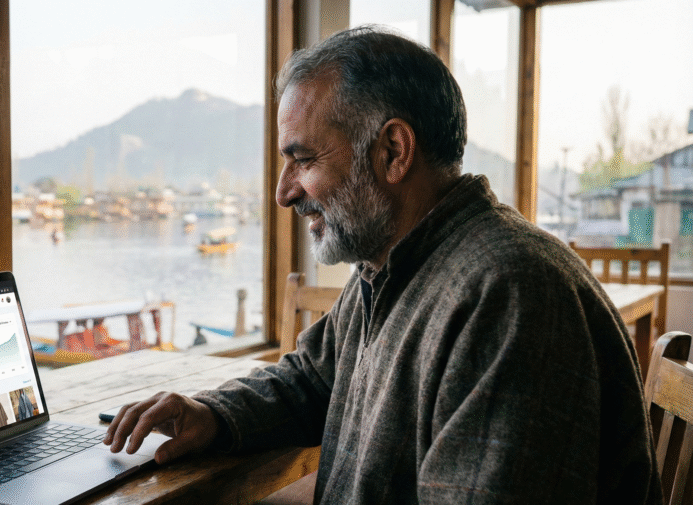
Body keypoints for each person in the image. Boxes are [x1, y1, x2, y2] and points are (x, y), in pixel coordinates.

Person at [104, 25, 661, 504]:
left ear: (393, 151)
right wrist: (214, 414)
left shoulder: (509, 295)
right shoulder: (392, 265)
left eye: (302, 159)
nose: (283, 193)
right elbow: (309, 380)